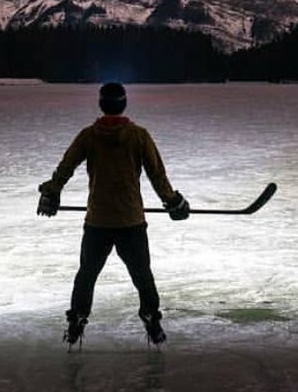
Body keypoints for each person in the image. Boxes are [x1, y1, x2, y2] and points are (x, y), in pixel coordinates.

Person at [36, 82, 190, 348]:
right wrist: (173, 201)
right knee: (142, 275)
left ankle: (77, 319)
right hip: (131, 221)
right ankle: (151, 317)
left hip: (98, 221)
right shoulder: (139, 136)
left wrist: (52, 192)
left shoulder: (88, 136)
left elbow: (65, 167)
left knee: (87, 274)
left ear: (101, 104)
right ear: (124, 104)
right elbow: (157, 175)